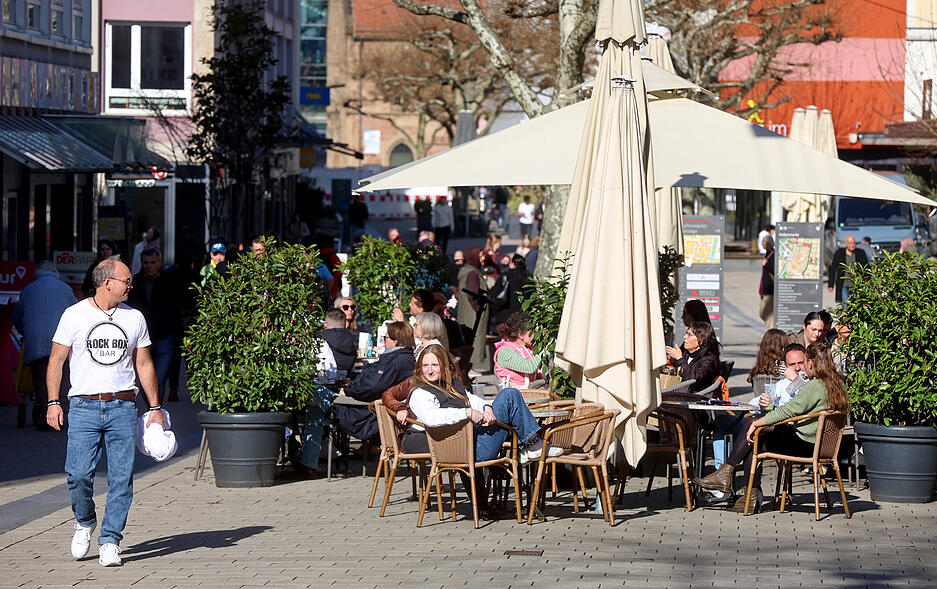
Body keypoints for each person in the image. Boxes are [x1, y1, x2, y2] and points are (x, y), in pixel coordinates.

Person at [46, 257, 165, 567]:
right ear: (106, 283)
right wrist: (53, 402)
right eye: (126, 280)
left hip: (123, 405)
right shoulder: (74, 315)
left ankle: (111, 539)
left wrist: (155, 408)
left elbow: (144, 363)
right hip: (84, 405)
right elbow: (56, 360)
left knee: (122, 478)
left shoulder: (135, 317)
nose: (131, 284)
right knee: (78, 474)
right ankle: (85, 520)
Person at [694, 343, 848, 513]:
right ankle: (743, 493)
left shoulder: (815, 386)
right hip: (824, 446)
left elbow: (789, 411)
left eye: (804, 362)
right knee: (755, 439)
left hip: (806, 445)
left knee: (753, 429)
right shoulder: (838, 384)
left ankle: (728, 477)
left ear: (811, 362)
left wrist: (756, 423)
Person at [403, 344, 562, 466]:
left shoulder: (451, 385)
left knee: (510, 397)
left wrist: (486, 407)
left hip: (474, 440)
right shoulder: (420, 392)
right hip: (467, 450)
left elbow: (474, 400)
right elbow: (431, 417)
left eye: (434, 365)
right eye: (425, 365)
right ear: (419, 368)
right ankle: (533, 445)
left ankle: (529, 447)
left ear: (444, 366)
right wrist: (467, 413)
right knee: (509, 395)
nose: (430, 370)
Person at [13, 262, 77, 430]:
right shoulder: (65, 289)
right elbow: (76, 312)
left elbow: (18, 316)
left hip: (36, 340)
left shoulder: (28, 289)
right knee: (62, 378)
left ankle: (44, 417)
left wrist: (25, 332)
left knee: (41, 379)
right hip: (62, 340)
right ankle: (60, 415)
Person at [334, 322, 415, 441]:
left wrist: (348, 390)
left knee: (330, 405)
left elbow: (373, 386)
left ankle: (328, 449)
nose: (384, 341)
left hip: (372, 412)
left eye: (385, 337)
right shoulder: (404, 357)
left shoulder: (395, 361)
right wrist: (352, 385)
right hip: (383, 409)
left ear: (395, 341)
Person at [127, 248, 181, 405]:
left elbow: (177, 309)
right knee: (144, 381)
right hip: (141, 339)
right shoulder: (134, 283)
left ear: (159, 263)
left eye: (152, 262)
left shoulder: (170, 282)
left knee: (160, 379)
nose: (149, 266)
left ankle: (156, 410)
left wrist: (178, 334)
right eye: (146, 263)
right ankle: (153, 408)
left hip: (165, 337)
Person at [665, 321, 721, 393]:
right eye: (686, 333)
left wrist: (679, 358)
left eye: (689, 335)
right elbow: (675, 362)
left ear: (701, 340)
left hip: (694, 397)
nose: (685, 337)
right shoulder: (687, 352)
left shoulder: (709, 360)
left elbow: (691, 380)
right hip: (680, 391)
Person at [457, 246, 488, 370]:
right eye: (480, 256)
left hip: (468, 314)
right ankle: (470, 369)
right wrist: (478, 309)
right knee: (473, 342)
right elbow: (472, 294)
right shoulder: (472, 273)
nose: (483, 258)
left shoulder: (468, 270)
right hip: (473, 316)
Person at [493, 313, 541, 387]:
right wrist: (544, 349)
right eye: (533, 332)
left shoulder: (528, 348)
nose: (536, 335)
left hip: (530, 392)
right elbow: (529, 367)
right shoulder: (505, 352)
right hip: (513, 393)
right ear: (520, 335)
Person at [489, 253, 531, 327]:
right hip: (524, 314)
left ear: (512, 264)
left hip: (506, 314)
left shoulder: (506, 275)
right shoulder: (529, 276)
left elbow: (494, 292)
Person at [828, 234, 869, 303]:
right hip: (844, 285)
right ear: (846, 244)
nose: (852, 245)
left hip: (856, 285)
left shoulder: (860, 253)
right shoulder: (839, 253)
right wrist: (831, 284)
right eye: (850, 243)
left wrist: (867, 280)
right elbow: (833, 269)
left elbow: (866, 267)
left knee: (856, 305)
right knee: (845, 306)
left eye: (853, 243)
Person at [321, 309, 358, 374]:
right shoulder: (352, 338)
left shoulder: (320, 338)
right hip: (346, 378)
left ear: (325, 324)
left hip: (324, 378)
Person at [759, 235, 775, 328]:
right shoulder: (767, 254)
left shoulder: (773, 254)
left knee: (768, 314)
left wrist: (766, 265)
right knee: (762, 313)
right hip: (764, 289)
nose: (761, 244)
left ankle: (771, 337)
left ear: (768, 243)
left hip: (770, 289)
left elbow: (774, 270)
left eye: (763, 242)